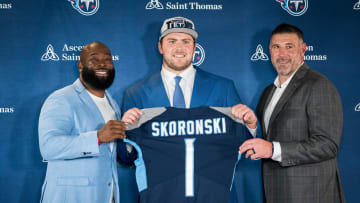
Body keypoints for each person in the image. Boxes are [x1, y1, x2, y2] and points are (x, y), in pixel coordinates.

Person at [117, 16, 261, 203]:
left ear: (194, 48)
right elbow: (126, 158)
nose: (179, 48)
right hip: (161, 197)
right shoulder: (136, 94)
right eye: (172, 41)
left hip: (214, 196)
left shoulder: (223, 87)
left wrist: (250, 126)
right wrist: (125, 134)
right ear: (160, 47)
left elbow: (243, 149)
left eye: (186, 41)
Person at [239, 23, 346, 203]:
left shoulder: (319, 85)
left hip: (312, 196)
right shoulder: (268, 92)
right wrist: (252, 126)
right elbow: (268, 139)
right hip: (276, 194)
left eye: (289, 47)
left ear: (303, 49)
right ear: (269, 51)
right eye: (276, 47)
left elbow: (328, 144)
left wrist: (273, 149)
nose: (282, 54)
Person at [38, 41, 126, 203]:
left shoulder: (112, 103)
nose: (102, 64)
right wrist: (97, 137)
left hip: (106, 196)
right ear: (80, 65)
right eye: (94, 59)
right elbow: (48, 147)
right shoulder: (62, 98)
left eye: (107, 60)